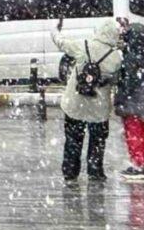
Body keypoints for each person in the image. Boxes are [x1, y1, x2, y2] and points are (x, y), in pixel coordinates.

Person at [53, 18, 123, 182]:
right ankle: (95, 170)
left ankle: (70, 172)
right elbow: (115, 81)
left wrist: (55, 32)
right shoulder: (115, 58)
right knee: (97, 140)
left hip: (75, 103)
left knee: (73, 139)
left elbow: (61, 43)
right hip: (99, 107)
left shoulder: (83, 46)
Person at [114, 23, 144, 178]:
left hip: (132, 104)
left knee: (133, 134)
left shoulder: (131, 58)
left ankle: (137, 164)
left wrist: (120, 99)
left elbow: (128, 83)